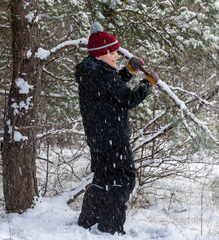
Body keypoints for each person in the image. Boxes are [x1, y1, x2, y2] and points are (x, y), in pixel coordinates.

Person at [75, 22, 159, 235]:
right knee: (123, 179)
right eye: (111, 52)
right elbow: (127, 98)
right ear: (99, 55)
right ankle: (110, 226)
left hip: (98, 138)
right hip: (114, 137)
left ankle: (88, 220)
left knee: (103, 178)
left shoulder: (89, 71)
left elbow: (111, 88)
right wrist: (148, 82)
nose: (115, 55)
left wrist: (129, 70)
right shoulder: (103, 75)